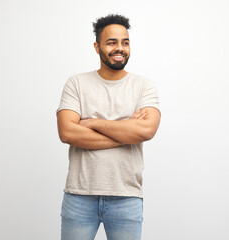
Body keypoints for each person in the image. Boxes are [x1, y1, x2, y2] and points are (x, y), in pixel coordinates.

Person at [56, 14, 161, 240]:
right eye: (112, 42)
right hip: (79, 196)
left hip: (127, 197)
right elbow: (67, 132)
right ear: (97, 46)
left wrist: (93, 123)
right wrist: (126, 131)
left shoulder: (143, 86)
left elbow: (146, 131)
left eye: (125, 42)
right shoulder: (77, 83)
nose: (120, 48)